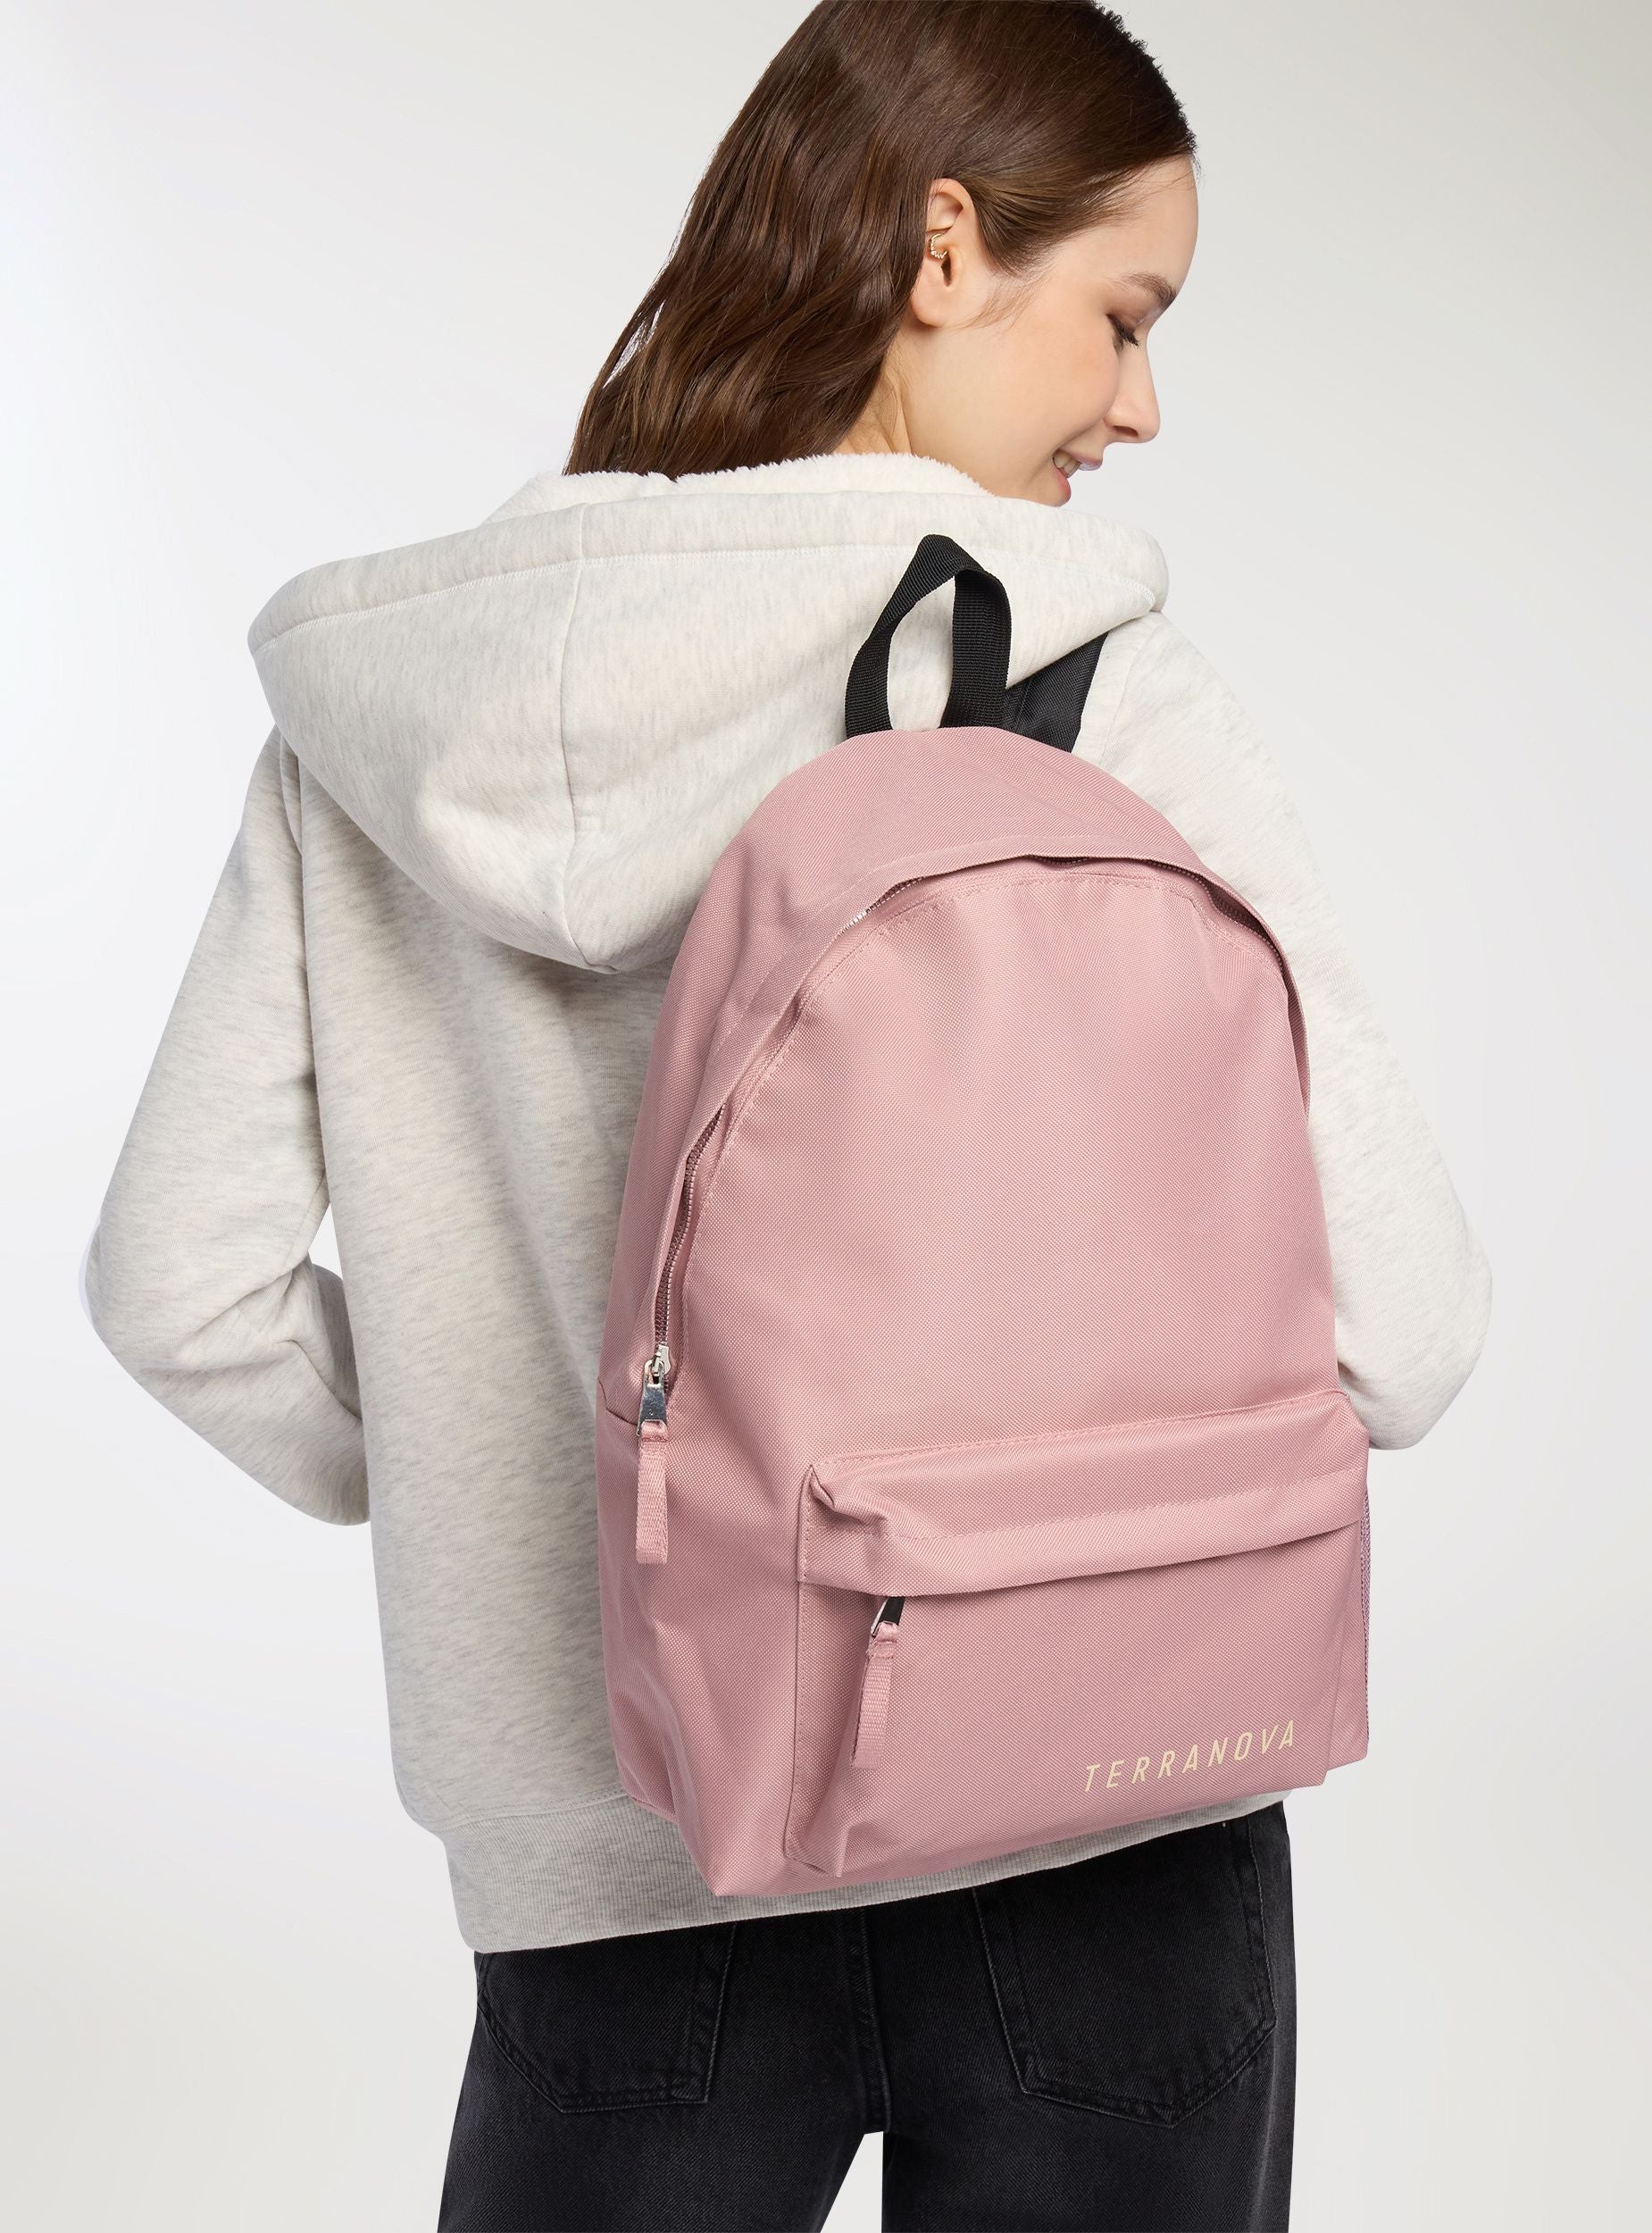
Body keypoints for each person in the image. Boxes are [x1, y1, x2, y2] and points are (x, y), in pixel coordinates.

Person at [81, 5, 1491, 2228]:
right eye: (1124, 315)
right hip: (1097, 1805)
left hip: (609, 1868)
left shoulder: (373, 727)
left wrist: (506, 1470)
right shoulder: (1089, 692)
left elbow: (179, 1287)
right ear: (943, 250)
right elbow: (1401, 1334)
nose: (1140, 403)